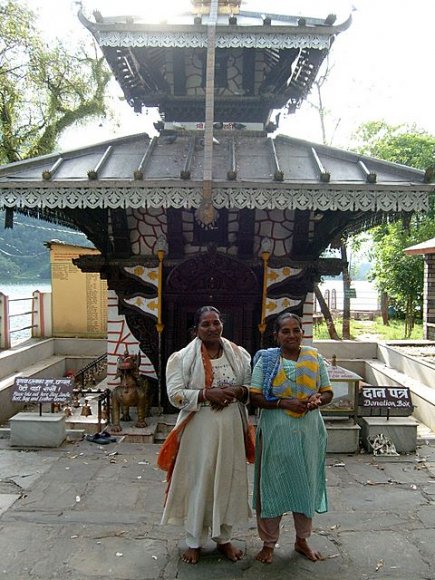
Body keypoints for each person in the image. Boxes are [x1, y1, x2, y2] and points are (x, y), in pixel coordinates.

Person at [160, 306, 252, 565]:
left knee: (227, 479)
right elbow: (175, 395)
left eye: (216, 322)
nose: (212, 328)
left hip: (232, 427)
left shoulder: (239, 355)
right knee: (199, 481)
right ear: (195, 330)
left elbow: (249, 387)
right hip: (198, 429)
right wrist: (205, 394)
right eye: (206, 324)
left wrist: (234, 392)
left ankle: (223, 538)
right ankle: (194, 541)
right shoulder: (180, 359)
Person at [250, 312, 333, 564]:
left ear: (302, 332)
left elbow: (327, 392)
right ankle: (268, 543)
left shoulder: (314, 358)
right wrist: (285, 403)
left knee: (305, 483)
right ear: (276, 335)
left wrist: (318, 400)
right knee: (272, 484)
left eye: (296, 330)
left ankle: (302, 540)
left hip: (308, 432)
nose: (292, 335)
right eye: (285, 331)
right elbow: (254, 396)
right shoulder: (266, 360)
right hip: (276, 432)